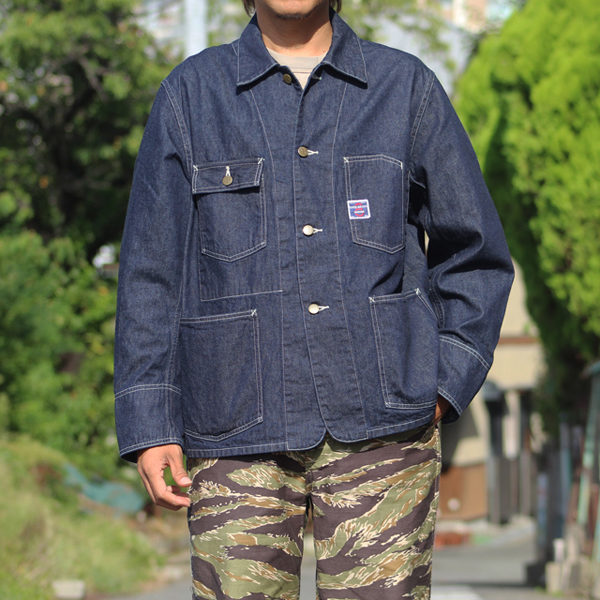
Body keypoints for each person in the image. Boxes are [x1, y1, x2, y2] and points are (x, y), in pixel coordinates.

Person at [114, 0, 514, 598]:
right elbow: (151, 273)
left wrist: (442, 384)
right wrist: (150, 424)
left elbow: (475, 253)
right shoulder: (191, 95)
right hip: (233, 430)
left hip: (384, 430)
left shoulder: (405, 88)